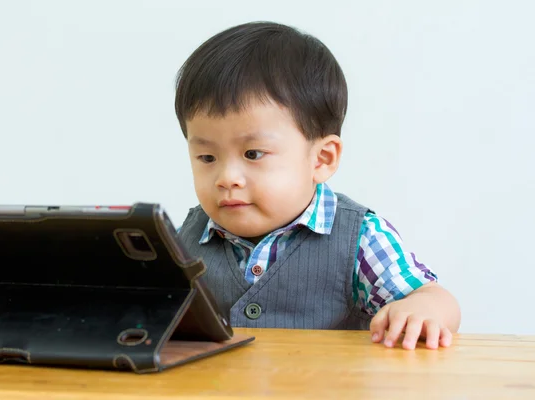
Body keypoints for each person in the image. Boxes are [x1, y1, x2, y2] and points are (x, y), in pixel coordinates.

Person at [174, 21, 461, 350]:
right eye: (207, 157)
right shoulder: (189, 235)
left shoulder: (359, 238)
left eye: (253, 154)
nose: (227, 178)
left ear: (322, 159)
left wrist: (422, 309)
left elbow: (434, 297)